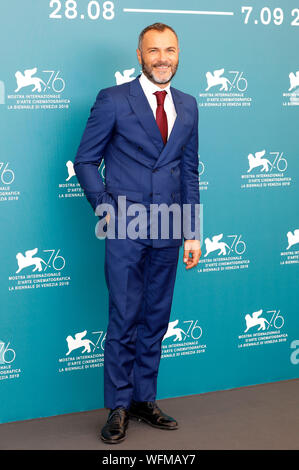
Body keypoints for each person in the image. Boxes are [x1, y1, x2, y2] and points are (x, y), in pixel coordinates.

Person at [74, 22, 202, 444]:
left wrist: (193, 231)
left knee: (155, 319)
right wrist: (105, 210)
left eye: (170, 50)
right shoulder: (113, 100)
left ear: (178, 54)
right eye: (154, 51)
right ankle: (118, 407)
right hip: (125, 227)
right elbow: (86, 160)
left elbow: (188, 171)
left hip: (169, 229)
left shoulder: (188, 105)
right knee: (124, 317)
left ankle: (145, 399)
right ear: (140, 55)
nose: (163, 58)